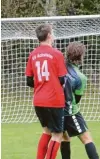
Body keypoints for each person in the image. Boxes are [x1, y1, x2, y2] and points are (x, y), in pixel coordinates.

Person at [25, 24, 67, 159]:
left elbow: (29, 81)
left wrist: (41, 86)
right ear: (49, 35)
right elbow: (62, 79)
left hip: (38, 100)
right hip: (54, 100)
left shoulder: (33, 54)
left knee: (46, 131)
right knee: (57, 134)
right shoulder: (57, 54)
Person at [60, 42, 99, 159]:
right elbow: (76, 99)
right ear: (81, 56)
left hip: (56, 110)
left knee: (64, 137)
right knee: (87, 139)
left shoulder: (59, 66)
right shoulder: (80, 77)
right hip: (70, 111)